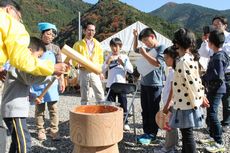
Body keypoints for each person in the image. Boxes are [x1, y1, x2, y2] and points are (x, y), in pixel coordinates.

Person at [1, 37, 55, 153]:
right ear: (29, 51)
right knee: (24, 143)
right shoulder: (19, 63)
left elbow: (23, 86)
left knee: (17, 144)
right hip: (14, 111)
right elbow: (30, 80)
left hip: (15, 111)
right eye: (38, 56)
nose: (38, 61)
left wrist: (33, 97)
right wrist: (52, 73)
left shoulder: (20, 65)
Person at [0, 0, 68, 80]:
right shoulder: (11, 23)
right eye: (19, 18)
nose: (19, 22)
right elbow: (21, 59)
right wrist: (51, 68)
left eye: (53, 35)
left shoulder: (56, 48)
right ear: (9, 9)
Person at [169, 28, 209, 153]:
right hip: (186, 102)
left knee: (187, 135)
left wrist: (199, 99)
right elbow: (196, 81)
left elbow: (192, 84)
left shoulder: (183, 61)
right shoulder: (188, 58)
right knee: (186, 134)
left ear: (177, 43)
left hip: (186, 103)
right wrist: (201, 96)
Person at [133, 28, 166, 145]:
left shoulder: (161, 48)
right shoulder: (148, 49)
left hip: (155, 84)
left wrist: (145, 54)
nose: (145, 43)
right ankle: (146, 132)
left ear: (152, 36)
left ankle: (153, 134)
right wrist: (135, 37)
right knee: (145, 110)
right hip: (144, 83)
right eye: (143, 42)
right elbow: (135, 49)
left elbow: (158, 63)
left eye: (146, 40)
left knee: (153, 110)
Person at [199, 16, 230, 132]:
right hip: (213, 74)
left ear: (225, 25)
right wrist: (205, 41)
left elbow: (225, 52)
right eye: (214, 24)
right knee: (211, 101)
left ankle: (225, 123)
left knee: (226, 101)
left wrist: (217, 40)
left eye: (218, 24)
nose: (215, 26)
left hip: (227, 73)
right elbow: (203, 53)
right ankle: (210, 125)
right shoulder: (211, 39)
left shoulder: (228, 37)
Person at [202, 29, 229, 152]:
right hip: (214, 88)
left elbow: (217, 76)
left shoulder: (218, 57)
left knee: (212, 114)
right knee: (210, 113)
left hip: (216, 89)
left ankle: (219, 142)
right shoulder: (219, 54)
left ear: (211, 43)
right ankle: (213, 137)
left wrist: (206, 81)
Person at [102, 38, 133, 131]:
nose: (114, 48)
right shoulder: (108, 56)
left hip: (122, 85)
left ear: (120, 47)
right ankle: (110, 122)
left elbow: (131, 70)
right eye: (112, 46)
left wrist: (122, 63)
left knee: (123, 104)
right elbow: (102, 69)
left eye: (116, 46)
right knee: (110, 105)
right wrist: (108, 62)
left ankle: (125, 122)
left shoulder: (124, 57)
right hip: (110, 85)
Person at [73, 21, 104, 104]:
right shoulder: (78, 44)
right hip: (83, 71)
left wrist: (100, 71)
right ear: (84, 31)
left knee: (99, 92)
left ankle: (101, 110)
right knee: (84, 93)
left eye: (93, 30)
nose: (91, 32)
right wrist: (77, 65)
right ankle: (84, 112)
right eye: (89, 30)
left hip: (95, 71)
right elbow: (74, 58)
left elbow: (101, 59)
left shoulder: (98, 44)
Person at [155, 46, 179, 153]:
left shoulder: (174, 72)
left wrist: (167, 105)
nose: (164, 59)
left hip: (171, 103)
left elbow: (172, 90)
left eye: (166, 57)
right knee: (171, 125)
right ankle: (171, 143)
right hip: (170, 103)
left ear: (173, 57)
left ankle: (168, 148)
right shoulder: (172, 70)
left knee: (169, 125)